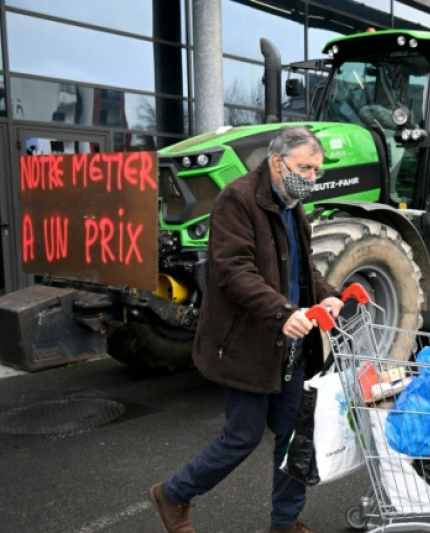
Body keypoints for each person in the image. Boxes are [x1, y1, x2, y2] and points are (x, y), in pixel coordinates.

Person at [149, 126, 344, 533]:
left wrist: (326, 294)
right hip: (247, 342)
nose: (311, 178)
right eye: (304, 168)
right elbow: (233, 272)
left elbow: (302, 267)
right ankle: (172, 494)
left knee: (294, 437)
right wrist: (283, 311)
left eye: (316, 170)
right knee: (242, 437)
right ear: (277, 162)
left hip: (291, 341)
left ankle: (285, 523)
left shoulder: (293, 205)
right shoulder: (236, 200)